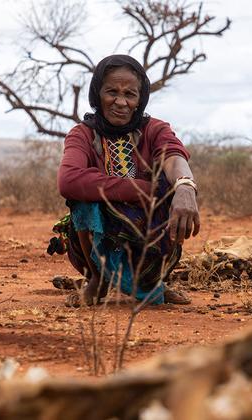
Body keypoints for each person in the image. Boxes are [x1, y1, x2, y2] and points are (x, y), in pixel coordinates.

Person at [53, 54, 199, 307]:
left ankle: (153, 283)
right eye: (111, 91)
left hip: (149, 245)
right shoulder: (83, 135)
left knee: (172, 189)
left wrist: (185, 185)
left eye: (130, 94)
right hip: (94, 245)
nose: (121, 102)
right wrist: (143, 190)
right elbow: (68, 180)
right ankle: (98, 281)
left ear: (139, 100)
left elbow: (173, 156)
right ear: (97, 94)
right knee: (81, 199)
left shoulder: (155, 130)